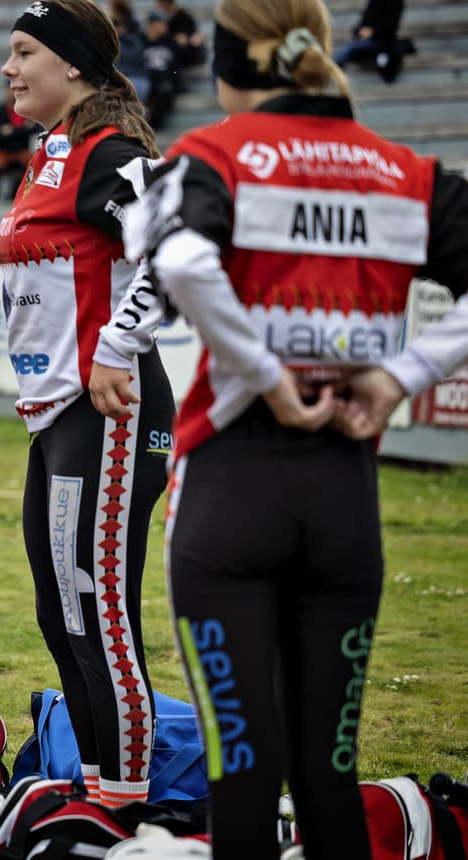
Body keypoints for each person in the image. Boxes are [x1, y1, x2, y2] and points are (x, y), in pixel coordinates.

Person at [122, 0, 468, 854]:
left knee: (242, 773)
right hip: (346, 493)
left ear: (229, 63)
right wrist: (398, 377)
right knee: (330, 775)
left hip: (231, 492)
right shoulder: (404, 171)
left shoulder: (217, 153)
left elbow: (181, 260)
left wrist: (269, 377)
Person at [0, 0, 174, 809]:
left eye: (24, 50)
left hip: (110, 408)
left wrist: (113, 350)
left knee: (96, 614)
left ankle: (125, 802)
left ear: (72, 65)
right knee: (58, 610)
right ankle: (97, 790)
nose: (8, 67)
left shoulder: (111, 152)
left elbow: (177, 250)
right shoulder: (49, 153)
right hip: (56, 414)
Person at [333, 0, 414, 83]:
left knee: (345, 50)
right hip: (365, 42)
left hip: (382, 41)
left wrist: (372, 32)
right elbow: (362, 22)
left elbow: (390, 26)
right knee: (344, 51)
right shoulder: (374, 2)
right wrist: (361, 31)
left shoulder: (395, 3)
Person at [0, 83, 40, 202]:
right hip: (2, 151)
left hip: (22, 151)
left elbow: (36, 129)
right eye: (10, 90)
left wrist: (11, 131)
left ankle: (16, 195)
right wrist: (23, 129)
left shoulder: (26, 110)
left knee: (34, 166)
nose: (11, 93)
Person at [141, 11, 182, 128]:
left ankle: (152, 123)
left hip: (164, 82)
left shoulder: (170, 41)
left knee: (165, 90)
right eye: (162, 23)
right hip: (147, 80)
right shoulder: (140, 40)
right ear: (152, 25)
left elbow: (181, 61)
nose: (165, 26)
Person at [152, 0, 207, 66]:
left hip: (186, 60)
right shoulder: (158, 20)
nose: (157, 7)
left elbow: (191, 39)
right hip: (168, 61)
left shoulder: (185, 18)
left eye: (160, 4)